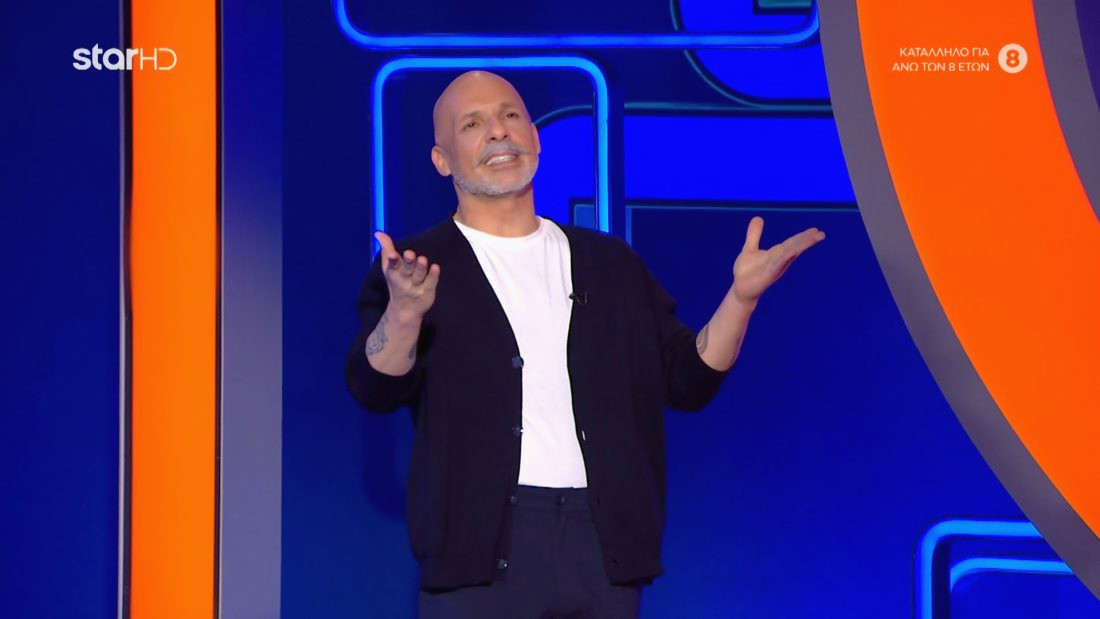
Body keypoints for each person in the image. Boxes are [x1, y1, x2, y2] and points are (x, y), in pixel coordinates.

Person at [346, 71, 824, 619]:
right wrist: (405, 314)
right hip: (478, 550)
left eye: (510, 116)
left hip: (601, 547)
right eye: (472, 125)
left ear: (535, 136)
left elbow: (687, 379)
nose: (498, 132)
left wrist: (741, 299)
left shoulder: (609, 263)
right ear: (442, 159)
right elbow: (374, 386)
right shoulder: (417, 267)